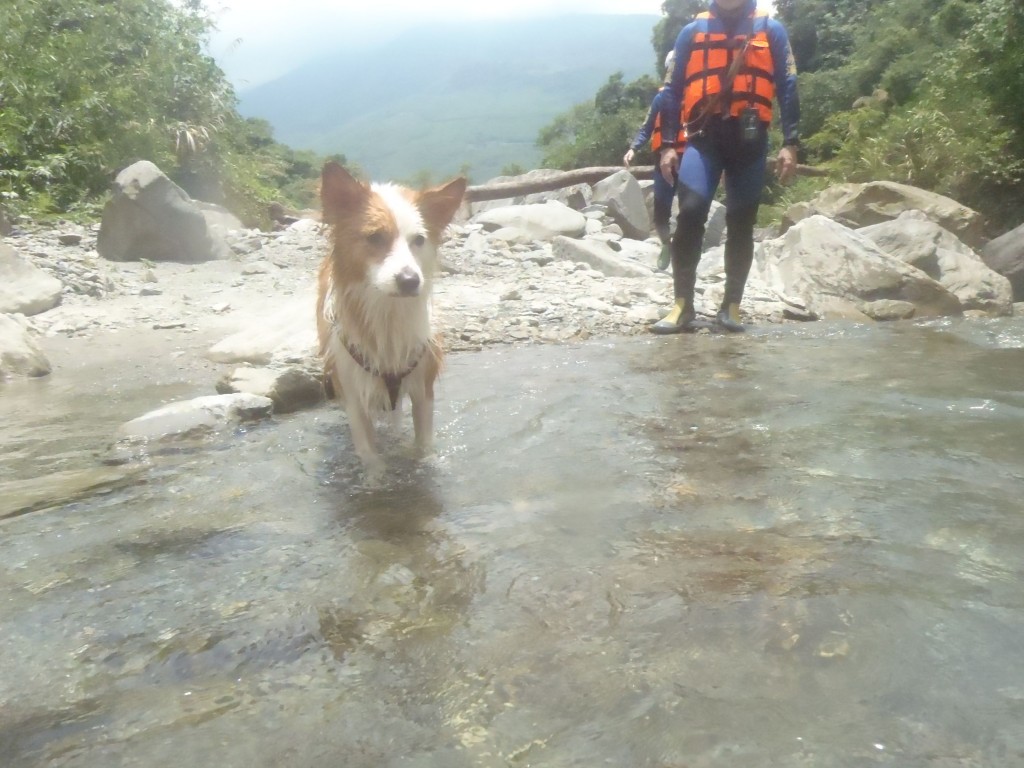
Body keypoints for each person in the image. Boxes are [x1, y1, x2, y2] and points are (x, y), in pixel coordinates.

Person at [651, 0, 800, 334]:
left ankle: (731, 305)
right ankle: (682, 305)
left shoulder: (771, 30)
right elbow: (673, 91)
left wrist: (790, 142)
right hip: (704, 138)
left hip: (750, 140)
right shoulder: (691, 32)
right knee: (689, 212)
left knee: (741, 221)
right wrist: (668, 147)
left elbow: (788, 85)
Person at [623, 51, 684, 272]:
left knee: (690, 208)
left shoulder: (697, 96)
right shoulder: (661, 99)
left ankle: (684, 247)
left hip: (688, 159)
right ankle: (667, 244)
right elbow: (648, 126)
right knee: (661, 212)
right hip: (662, 162)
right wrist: (633, 148)